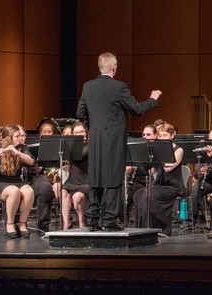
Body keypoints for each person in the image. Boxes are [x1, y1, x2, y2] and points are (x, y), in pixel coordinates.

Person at [76, 52, 161, 231]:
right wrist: (153, 99)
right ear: (114, 68)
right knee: (114, 178)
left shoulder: (88, 86)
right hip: (113, 141)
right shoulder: (119, 87)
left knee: (96, 178)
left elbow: (80, 113)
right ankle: (108, 221)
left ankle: (92, 222)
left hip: (96, 140)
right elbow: (137, 109)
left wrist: (95, 127)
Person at [0, 125, 35, 239]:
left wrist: (17, 153)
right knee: (14, 191)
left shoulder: (22, 148)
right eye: (17, 136)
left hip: (16, 181)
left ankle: (22, 224)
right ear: (9, 138)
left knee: (28, 191)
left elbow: (31, 162)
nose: (20, 138)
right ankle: (10, 224)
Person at [133, 123, 184, 236]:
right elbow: (153, 172)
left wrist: (158, 157)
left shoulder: (178, 149)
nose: (162, 138)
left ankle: (159, 229)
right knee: (138, 194)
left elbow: (169, 168)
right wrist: (147, 161)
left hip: (173, 187)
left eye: (165, 135)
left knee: (152, 195)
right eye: (160, 136)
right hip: (159, 185)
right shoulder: (157, 150)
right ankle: (141, 229)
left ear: (171, 136)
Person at [189, 127, 212, 223]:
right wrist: (200, 172)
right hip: (208, 182)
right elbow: (196, 174)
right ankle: (192, 219)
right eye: (210, 139)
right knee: (195, 188)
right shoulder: (204, 152)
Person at [60, 122, 89, 230]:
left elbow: (79, 156)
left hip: (86, 181)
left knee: (77, 197)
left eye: (81, 131)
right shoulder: (69, 146)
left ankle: (82, 222)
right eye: (76, 132)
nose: (79, 134)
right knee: (63, 193)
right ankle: (66, 223)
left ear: (86, 133)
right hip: (72, 180)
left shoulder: (90, 145)